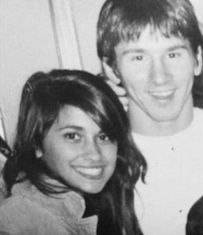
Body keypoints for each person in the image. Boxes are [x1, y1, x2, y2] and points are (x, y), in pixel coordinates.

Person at [96, 0, 203, 234]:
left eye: (173, 54)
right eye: (138, 58)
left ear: (198, 60)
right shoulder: (97, 161)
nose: (159, 77)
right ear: (111, 69)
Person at [0, 69, 146, 235]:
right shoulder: (17, 225)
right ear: (37, 144)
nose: (94, 154)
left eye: (104, 136)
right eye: (73, 136)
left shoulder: (97, 205)